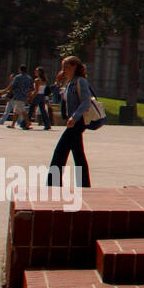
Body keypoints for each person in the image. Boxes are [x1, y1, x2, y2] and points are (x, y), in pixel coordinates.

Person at [47, 56, 93, 189]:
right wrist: (58, 83)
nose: (63, 70)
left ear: (74, 66)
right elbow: (57, 99)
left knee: (60, 152)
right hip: (72, 122)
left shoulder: (81, 81)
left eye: (66, 66)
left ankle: (53, 184)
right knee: (78, 154)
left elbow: (86, 102)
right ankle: (84, 185)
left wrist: (74, 117)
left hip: (77, 123)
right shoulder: (69, 83)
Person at [8, 65, 34, 130]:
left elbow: (13, 85)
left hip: (18, 95)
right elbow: (32, 87)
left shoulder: (17, 77)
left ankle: (28, 122)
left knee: (22, 110)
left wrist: (9, 93)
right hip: (25, 95)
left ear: (20, 70)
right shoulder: (29, 78)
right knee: (16, 111)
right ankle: (13, 124)